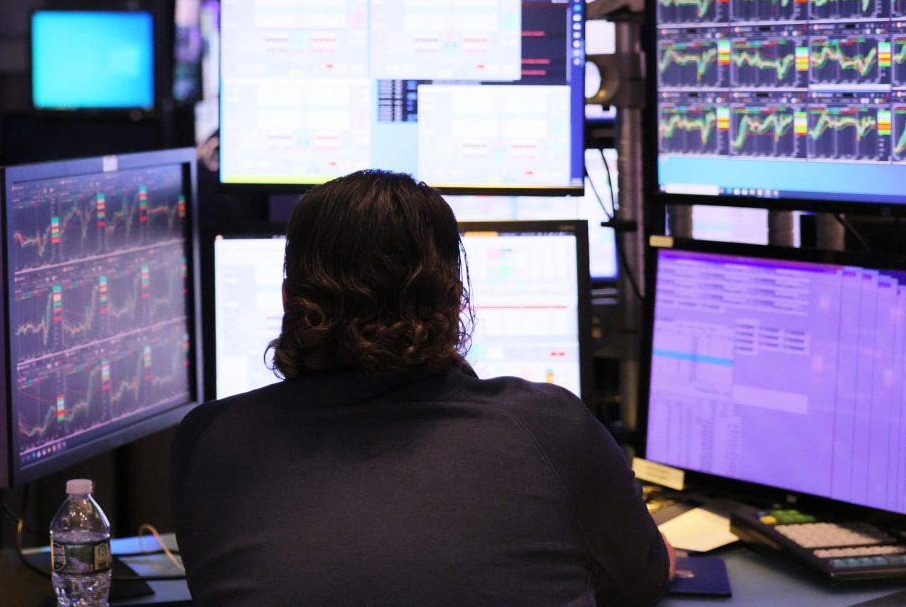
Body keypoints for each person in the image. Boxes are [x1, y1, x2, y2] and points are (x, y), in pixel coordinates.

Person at [171, 170, 674, 607]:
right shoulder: (552, 428)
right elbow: (639, 584)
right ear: (455, 299)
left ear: (288, 299)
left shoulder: (209, 442)